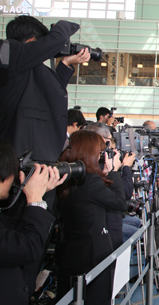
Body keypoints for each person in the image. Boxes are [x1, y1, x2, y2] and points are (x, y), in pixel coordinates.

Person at [0, 16, 87, 163]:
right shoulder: (11, 52)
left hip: (33, 156)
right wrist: (62, 25)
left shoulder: (24, 67)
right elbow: (56, 39)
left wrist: (65, 63)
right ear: (31, 41)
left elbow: (47, 93)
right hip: (23, 156)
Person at [56, 130, 126, 305]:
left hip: (71, 251)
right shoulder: (90, 181)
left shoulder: (68, 178)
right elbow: (119, 203)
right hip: (94, 255)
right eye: (100, 151)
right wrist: (114, 171)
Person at [0, 141, 67, 305]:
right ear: (1, 174)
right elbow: (27, 248)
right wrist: (35, 200)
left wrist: (35, 194)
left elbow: (15, 230)